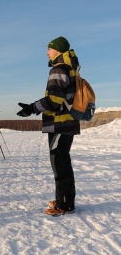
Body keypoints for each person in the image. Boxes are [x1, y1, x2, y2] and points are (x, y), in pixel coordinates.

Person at [17, 36, 80, 216]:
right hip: (66, 122)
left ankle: (65, 204)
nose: (47, 52)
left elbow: (54, 100)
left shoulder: (59, 69)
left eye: (49, 49)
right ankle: (64, 199)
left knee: (59, 162)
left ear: (58, 51)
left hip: (60, 123)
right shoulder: (70, 67)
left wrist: (32, 108)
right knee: (62, 161)